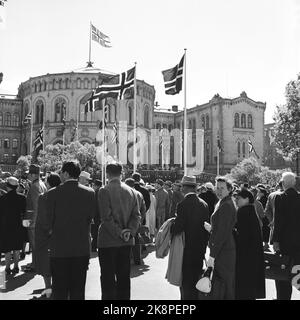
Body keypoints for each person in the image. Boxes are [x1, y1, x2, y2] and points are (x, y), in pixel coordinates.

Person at [45, 161, 95, 300]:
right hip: (81, 248)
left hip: (59, 249)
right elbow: (90, 218)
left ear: (66, 174)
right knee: (78, 290)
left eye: (61, 172)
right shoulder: (90, 193)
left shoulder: (53, 193)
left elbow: (48, 222)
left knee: (59, 290)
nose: (60, 174)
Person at [97, 163, 141, 300]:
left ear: (107, 174)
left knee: (108, 278)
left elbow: (106, 218)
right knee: (123, 278)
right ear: (121, 173)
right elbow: (137, 215)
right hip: (126, 241)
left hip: (108, 241)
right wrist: (129, 231)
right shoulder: (132, 191)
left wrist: (120, 232)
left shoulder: (104, 190)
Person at [171, 176, 209, 300]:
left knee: (186, 281)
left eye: (182, 186)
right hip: (200, 248)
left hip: (186, 248)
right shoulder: (204, 204)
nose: (181, 188)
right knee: (196, 277)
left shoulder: (182, 204)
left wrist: (171, 226)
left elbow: (178, 228)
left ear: (185, 187)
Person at [204, 176, 237, 300]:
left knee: (224, 285)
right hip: (223, 248)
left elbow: (222, 233)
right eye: (217, 187)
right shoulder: (223, 202)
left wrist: (212, 255)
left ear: (229, 189)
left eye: (222, 188)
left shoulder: (226, 204)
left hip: (224, 250)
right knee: (222, 285)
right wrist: (212, 228)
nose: (218, 190)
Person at [234, 188, 265, 300]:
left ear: (247, 199)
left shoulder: (243, 211)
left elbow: (241, 236)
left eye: (238, 198)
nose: (236, 201)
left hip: (245, 255)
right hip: (253, 255)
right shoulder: (251, 210)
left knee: (243, 289)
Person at [273, 172, 300, 300]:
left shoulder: (280, 198)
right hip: (298, 245)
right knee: (297, 272)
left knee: (283, 276)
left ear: (283, 183)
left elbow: (278, 222)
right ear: (294, 183)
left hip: (285, 243)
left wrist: (276, 241)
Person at [35, 172, 61, 299]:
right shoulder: (63, 196)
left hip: (45, 234)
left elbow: (42, 217)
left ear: (49, 183)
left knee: (46, 263)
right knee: (58, 261)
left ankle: (48, 288)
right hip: (60, 234)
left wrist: (48, 229)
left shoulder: (43, 196)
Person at [0, 177, 26, 275]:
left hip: (6, 226)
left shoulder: (2, 198)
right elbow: (24, 212)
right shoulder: (22, 197)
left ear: (7, 186)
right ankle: (16, 266)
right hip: (18, 225)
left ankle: (7, 267)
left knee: (7, 248)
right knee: (16, 247)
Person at [23, 164, 47, 272]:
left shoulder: (34, 186)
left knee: (34, 244)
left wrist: (33, 222)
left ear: (33, 174)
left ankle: (35, 265)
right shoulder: (41, 184)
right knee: (35, 244)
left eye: (29, 174)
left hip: (34, 220)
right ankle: (35, 263)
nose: (27, 175)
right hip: (37, 219)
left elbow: (37, 205)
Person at [125, 178, 146, 265]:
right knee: (136, 239)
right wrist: (140, 220)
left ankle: (127, 258)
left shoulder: (124, 193)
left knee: (125, 240)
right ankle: (137, 259)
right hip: (136, 220)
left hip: (125, 220)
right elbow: (143, 209)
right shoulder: (139, 194)